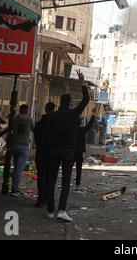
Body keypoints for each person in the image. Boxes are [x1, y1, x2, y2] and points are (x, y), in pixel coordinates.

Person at [47, 71, 90, 222]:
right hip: (68, 152)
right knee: (65, 181)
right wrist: (82, 83)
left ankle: (50, 210)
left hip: (54, 150)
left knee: (51, 180)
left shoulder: (52, 116)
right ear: (70, 103)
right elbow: (86, 99)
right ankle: (62, 210)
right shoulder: (73, 115)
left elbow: (48, 134)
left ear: (59, 102)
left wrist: (66, 91)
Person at [33, 102, 56, 208]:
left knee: (41, 177)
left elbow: (36, 140)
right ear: (54, 109)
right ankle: (48, 198)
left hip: (41, 153)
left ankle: (41, 199)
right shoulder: (56, 124)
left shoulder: (39, 124)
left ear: (45, 109)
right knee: (50, 178)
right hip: (52, 154)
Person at [9, 104, 34, 197]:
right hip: (24, 146)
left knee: (16, 168)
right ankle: (15, 190)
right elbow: (34, 129)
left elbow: (10, 129)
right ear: (26, 111)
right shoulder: (29, 119)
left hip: (14, 145)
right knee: (18, 170)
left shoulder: (15, 119)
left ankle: (14, 188)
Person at [74, 116, 96, 191]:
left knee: (68, 167)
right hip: (79, 151)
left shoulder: (71, 130)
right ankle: (77, 183)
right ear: (80, 123)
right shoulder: (82, 130)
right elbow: (89, 125)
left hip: (71, 151)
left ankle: (66, 182)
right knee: (79, 168)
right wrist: (92, 116)